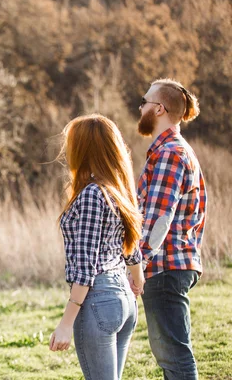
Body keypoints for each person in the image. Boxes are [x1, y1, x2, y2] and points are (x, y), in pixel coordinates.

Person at [49, 114, 145, 380]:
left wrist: (66, 323)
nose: (67, 151)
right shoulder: (117, 189)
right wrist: (137, 278)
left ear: (84, 149)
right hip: (123, 300)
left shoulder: (92, 194)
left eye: (71, 144)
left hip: (99, 301)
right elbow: (131, 243)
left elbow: (85, 266)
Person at [134, 78, 207, 379]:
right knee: (173, 357)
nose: (141, 108)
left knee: (175, 358)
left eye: (145, 102)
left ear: (159, 109)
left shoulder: (169, 153)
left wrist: (137, 263)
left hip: (165, 268)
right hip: (171, 267)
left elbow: (158, 219)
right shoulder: (170, 150)